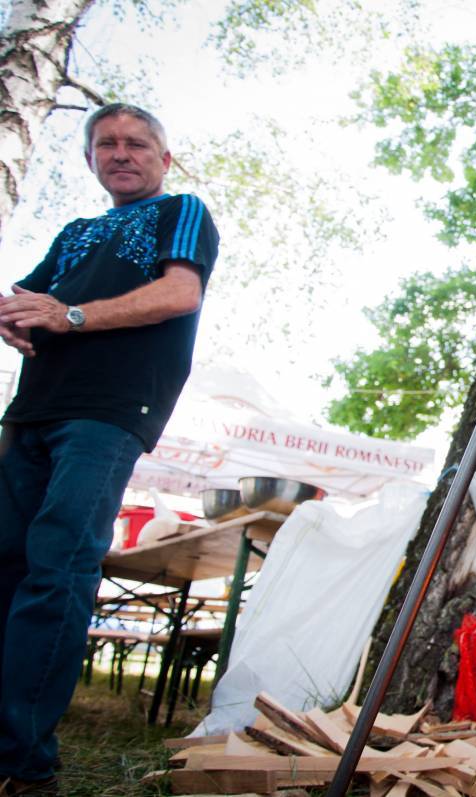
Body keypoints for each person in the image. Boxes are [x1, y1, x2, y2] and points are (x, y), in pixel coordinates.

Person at [0, 103, 219, 795]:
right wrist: (15, 314)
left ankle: (23, 765)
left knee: (57, 570)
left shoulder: (181, 210)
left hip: (107, 411)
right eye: (106, 144)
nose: (121, 153)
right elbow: (27, 295)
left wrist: (66, 316)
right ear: (91, 159)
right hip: (32, 410)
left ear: (164, 156)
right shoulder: (77, 230)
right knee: (6, 569)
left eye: (136, 143)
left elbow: (180, 293)